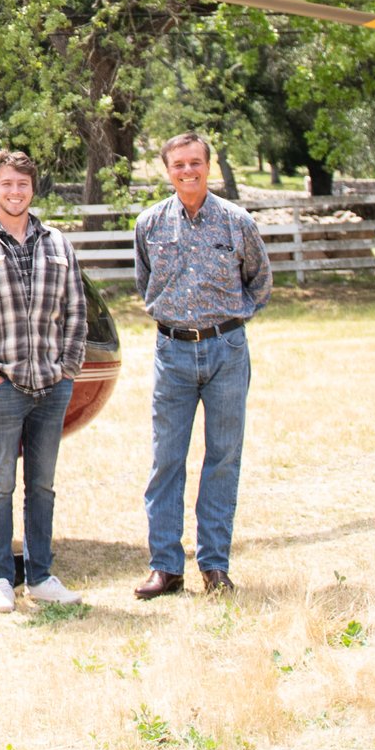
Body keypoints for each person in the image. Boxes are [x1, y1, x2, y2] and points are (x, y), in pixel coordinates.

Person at [0, 149, 88, 613]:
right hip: (3, 385)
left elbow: (76, 310)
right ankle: (1, 581)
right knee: (0, 484)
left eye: (22, 184)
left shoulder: (58, 244)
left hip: (52, 384)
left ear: (33, 188)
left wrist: (69, 368)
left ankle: (41, 577)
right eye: (7, 183)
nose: (15, 191)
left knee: (42, 486)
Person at [130, 131, 269, 599]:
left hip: (226, 350)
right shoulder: (149, 224)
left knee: (223, 457)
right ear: (167, 171)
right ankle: (165, 567)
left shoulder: (236, 221)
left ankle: (214, 566)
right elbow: (145, 281)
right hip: (172, 352)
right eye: (178, 164)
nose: (187, 171)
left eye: (195, 163)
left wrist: (229, 322)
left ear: (208, 166)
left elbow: (259, 282)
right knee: (166, 459)